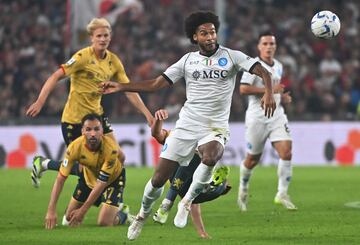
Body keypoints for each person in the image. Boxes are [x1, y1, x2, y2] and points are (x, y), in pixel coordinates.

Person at [100, 11, 276, 240]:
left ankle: (186, 201)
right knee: (157, 180)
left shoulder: (232, 56)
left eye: (212, 31)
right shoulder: (187, 60)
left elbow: (263, 71)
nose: (210, 36)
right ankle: (142, 215)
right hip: (187, 125)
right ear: (195, 37)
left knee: (211, 156)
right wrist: (121, 87)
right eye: (204, 33)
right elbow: (155, 84)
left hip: (215, 126)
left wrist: (269, 93)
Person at [26, 18, 153, 188]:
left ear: (110, 37)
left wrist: (147, 114)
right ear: (91, 38)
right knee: (85, 169)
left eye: (106, 35)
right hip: (74, 120)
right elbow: (56, 76)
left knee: (119, 157)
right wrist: (40, 101)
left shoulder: (113, 61)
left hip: (96, 118)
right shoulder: (82, 57)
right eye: (99, 35)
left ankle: (115, 203)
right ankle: (44, 164)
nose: (102, 39)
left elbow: (127, 89)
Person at [237, 31, 297, 212]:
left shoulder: (278, 65)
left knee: (286, 152)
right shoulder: (253, 66)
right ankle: (243, 187)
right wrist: (267, 90)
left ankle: (282, 193)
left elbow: (275, 89)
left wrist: (281, 96)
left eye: (272, 44)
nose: (269, 47)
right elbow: (243, 89)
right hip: (257, 118)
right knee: (252, 159)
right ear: (259, 47)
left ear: (275, 46)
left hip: (277, 116)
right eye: (265, 44)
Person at [151, 109, 231, 239]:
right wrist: (159, 120)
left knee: (196, 191)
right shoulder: (175, 136)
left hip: (189, 183)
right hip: (179, 180)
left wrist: (201, 232)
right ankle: (216, 185)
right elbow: (156, 134)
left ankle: (215, 185)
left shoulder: (202, 138)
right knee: (197, 189)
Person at [44, 113, 129, 229]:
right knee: (69, 220)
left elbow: (101, 183)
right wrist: (51, 210)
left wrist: (82, 211)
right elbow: (60, 179)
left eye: (96, 129)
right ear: (82, 131)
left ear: (102, 130)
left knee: (104, 223)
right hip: (88, 178)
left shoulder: (111, 149)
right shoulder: (74, 148)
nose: (93, 134)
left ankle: (123, 214)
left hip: (112, 181)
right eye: (88, 129)